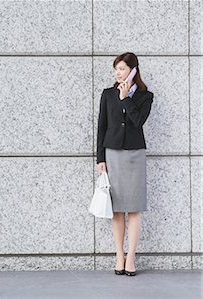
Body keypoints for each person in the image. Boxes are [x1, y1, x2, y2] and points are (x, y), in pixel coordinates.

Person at [96, 52, 153, 276]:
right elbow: (102, 126)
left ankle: (131, 257)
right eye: (116, 69)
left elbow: (138, 121)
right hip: (113, 154)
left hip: (135, 155)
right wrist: (100, 158)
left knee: (135, 208)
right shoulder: (107, 94)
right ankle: (119, 255)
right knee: (117, 210)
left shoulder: (145, 96)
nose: (117, 73)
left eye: (121, 68)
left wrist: (126, 99)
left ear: (133, 70)